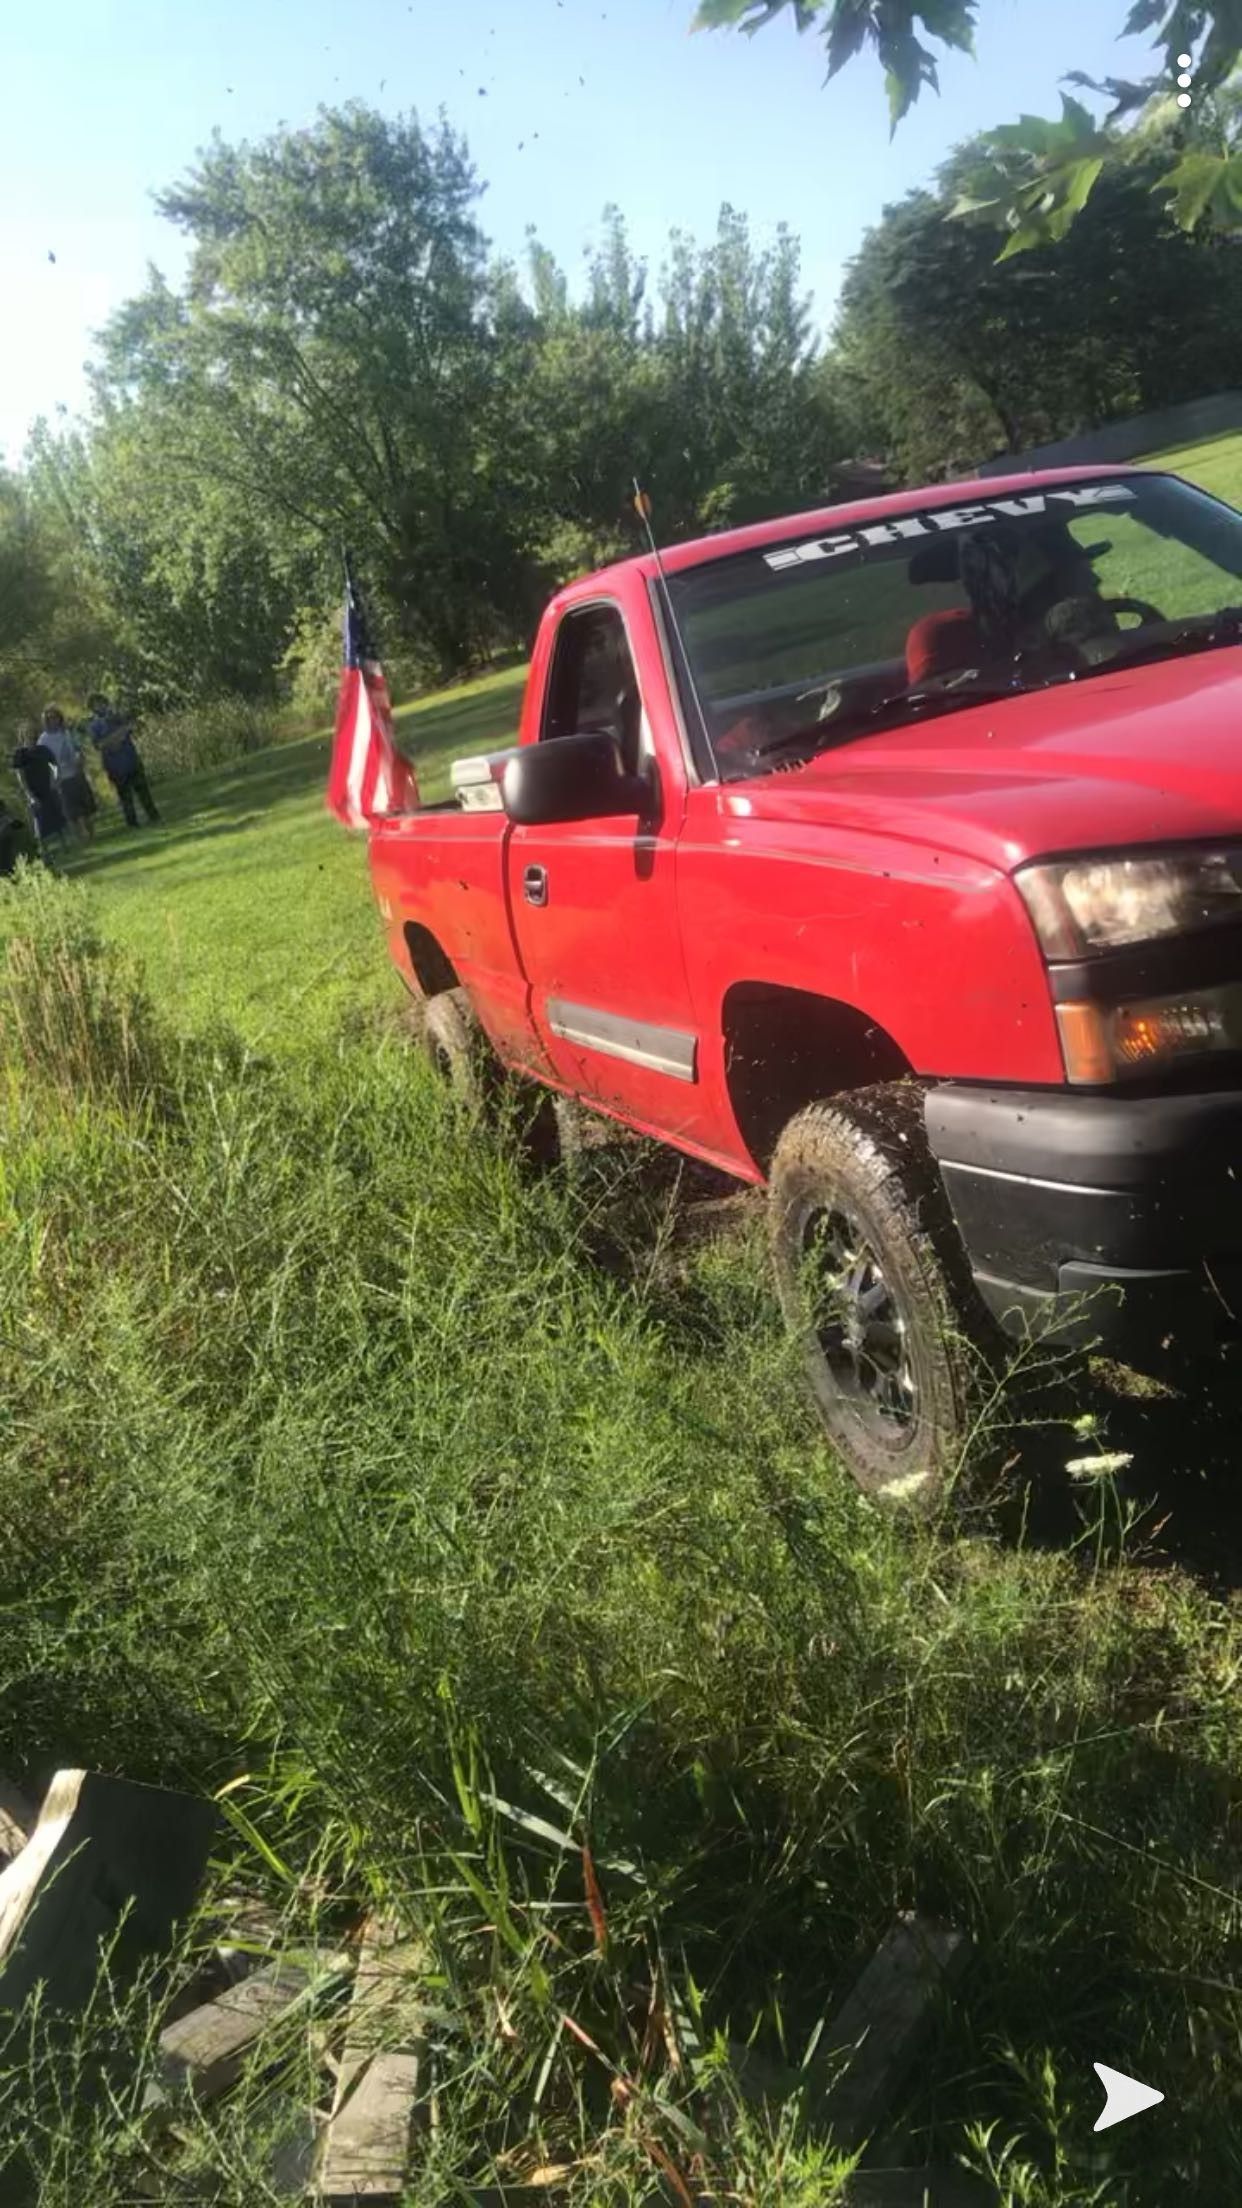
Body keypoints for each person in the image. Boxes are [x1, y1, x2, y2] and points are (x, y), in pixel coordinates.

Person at [86, 692, 160, 827]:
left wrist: (121, 728)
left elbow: (134, 726)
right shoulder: (94, 725)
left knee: (143, 791)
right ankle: (133, 823)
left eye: (102, 703)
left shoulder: (117, 716)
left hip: (131, 759)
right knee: (126, 797)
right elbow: (99, 745)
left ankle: (154, 816)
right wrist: (119, 734)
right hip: (115, 765)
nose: (100, 706)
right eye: (96, 705)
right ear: (92, 708)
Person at [38, 705, 97, 843]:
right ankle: (82, 838)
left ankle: (93, 836)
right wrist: (55, 775)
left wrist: (79, 757)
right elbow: (44, 762)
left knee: (86, 808)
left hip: (76, 773)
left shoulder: (67, 732)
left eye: (55, 717)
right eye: (50, 718)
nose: (54, 720)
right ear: (46, 721)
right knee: (73, 812)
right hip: (61, 779)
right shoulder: (43, 740)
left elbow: (78, 748)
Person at [11, 728, 66, 855]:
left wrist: (56, 780)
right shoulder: (20, 754)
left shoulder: (43, 750)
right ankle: (45, 851)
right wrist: (29, 795)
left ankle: (65, 847)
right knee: (40, 823)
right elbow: (20, 776)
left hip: (48, 788)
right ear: (22, 737)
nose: (30, 737)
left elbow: (55, 765)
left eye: (32, 735)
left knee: (57, 819)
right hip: (34, 792)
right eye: (27, 735)